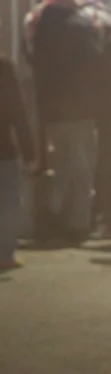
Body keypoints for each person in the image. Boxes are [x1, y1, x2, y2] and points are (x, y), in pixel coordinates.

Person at [29, 0, 103, 246]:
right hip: (81, 108)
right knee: (82, 169)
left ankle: (52, 218)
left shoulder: (39, 28)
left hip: (51, 110)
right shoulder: (81, 26)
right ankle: (78, 224)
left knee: (60, 166)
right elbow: (95, 62)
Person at [0, 56, 38, 272]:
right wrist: (29, 152)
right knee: (7, 204)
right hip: (3, 149)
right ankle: (4, 255)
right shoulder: (4, 68)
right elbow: (18, 111)